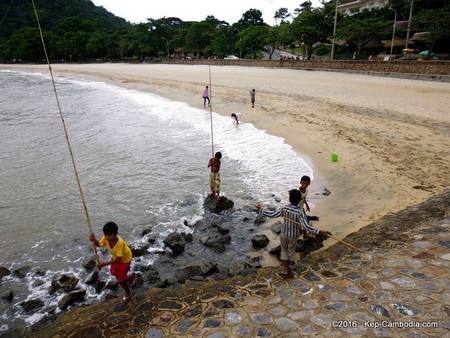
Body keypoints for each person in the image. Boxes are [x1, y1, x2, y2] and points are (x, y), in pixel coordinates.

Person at [257, 190, 331, 278]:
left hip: (284, 233)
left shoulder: (285, 208)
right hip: (293, 235)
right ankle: (288, 268)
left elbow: (273, 214)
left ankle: (286, 270)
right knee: (290, 251)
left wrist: (261, 208)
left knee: (284, 251)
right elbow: (306, 226)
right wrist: (320, 231)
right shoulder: (300, 212)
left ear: (289, 199)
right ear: (300, 200)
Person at [89, 221, 135, 302]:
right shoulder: (105, 238)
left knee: (120, 280)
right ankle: (130, 276)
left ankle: (128, 292)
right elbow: (99, 244)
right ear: (105, 235)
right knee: (117, 276)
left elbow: (118, 260)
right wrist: (94, 239)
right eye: (108, 235)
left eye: (113, 234)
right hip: (115, 258)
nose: (111, 237)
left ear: (117, 233)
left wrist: (103, 264)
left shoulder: (119, 243)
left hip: (125, 260)